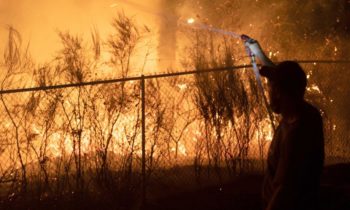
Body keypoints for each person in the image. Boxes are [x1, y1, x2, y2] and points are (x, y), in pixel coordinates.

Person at [244, 37, 325, 210]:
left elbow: (284, 189)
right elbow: (279, 75)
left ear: (279, 92)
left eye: (270, 89)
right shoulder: (307, 114)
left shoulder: (296, 133)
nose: (268, 93)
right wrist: (256, 50)